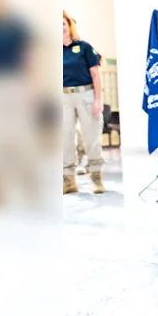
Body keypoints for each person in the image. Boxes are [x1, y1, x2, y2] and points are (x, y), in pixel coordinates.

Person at [62, 10, 105, 194]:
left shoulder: (84, 47)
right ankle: (69, 180)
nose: (60, 28)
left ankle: (96, 177)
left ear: (69, 25)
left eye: (62, 23)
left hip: (85, 94)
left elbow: (96, 74)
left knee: (91, 137)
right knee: (64, 138)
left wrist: (98, 100)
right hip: (62, 97)